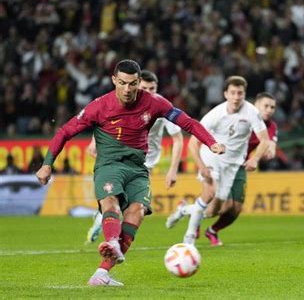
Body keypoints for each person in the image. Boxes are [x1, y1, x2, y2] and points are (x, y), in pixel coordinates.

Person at [35, 60, 224, 287]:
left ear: (138, 83)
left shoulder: (154, 103)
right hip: (109, 165)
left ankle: (102, 273)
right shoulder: (99, 106)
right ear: (114, 80)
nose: (127, 89)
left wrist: (211, 143)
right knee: (111, 202)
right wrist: (47, 164)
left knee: (138, 211)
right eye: (122, 83)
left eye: (133, 84)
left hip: (137, 169)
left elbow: (188, 123)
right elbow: (65, 131)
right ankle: (112, 241)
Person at [165, 76, 270, 245]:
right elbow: (193, 144)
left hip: (233, 165)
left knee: (215, 210)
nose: (236, 97)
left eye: (240, 93)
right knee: (209, 193)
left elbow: (265, 140)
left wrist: (256, 159)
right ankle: (189, 239)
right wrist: (201, 166)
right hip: (211, 159)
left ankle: (183, 210)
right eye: (233, 93)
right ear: (225, 94)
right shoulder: (215, 115)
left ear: (244, 94)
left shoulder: (251, 112)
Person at [85, 70, 184, 244]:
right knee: (117, 196)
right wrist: (94, 142)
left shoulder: (160, 105)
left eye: (152, 88)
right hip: (121, 155)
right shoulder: (126, 100)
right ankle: (108, 227)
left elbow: (178, 138)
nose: (149, 91)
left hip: (146, 162)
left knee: (135, 206)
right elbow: (106, 122)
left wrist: (173, 170)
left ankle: (105, 222)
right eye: (145, 87)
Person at [204, 92, 278, 246]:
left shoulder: (270, 126)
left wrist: (269, 150)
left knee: (236, 208)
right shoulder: (243, 117)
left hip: (240, 165)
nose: (269, 110)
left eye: (272, 107)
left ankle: (212, 230)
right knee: (223, 206)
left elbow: (269, 142)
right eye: (266, 106)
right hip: (221, 162)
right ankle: (193, 214)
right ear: (255, 106)